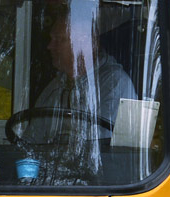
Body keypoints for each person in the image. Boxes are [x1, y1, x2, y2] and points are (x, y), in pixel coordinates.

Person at [29, 8, 137, 141]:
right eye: (52, 39)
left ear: (83, 43)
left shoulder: (115, 84)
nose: (50, 46)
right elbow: (31, 141)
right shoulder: (53, 89)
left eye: (59, 40)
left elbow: (101, 149)